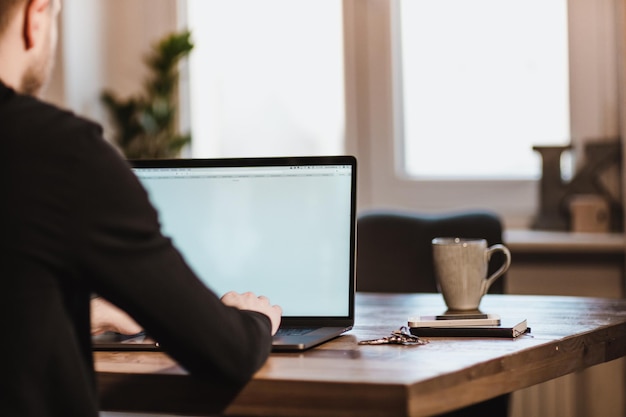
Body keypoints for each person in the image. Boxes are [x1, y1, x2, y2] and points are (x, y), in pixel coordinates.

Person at [0, 1, 282, 416]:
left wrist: (87, 312)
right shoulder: (58, 152)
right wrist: (254, 320)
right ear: (35, 15)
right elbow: (226, 354)